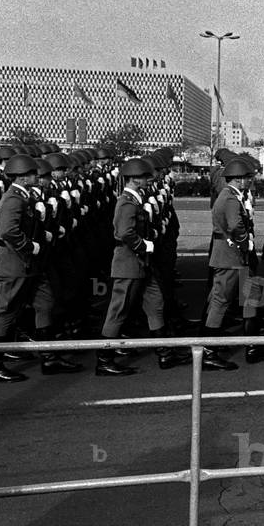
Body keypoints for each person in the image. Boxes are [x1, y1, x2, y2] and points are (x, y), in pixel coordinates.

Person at [0, 154, 82, 381]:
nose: (36, 176)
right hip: (15, 263)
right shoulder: (13, 199)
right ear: (22, 177)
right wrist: (31, 246)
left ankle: (49, 357)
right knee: (5, 312)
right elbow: (8, 231)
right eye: (31, 173)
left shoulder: (25, 196)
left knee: (45, 304)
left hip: (31, 264)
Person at [97, 157, 188, 376]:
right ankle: (104, 359)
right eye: (145, 176)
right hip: (129, 263)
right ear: (135, 179)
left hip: (142, 262)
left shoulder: (135, 200)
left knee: (155, 303)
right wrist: (143, 245)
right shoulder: (127, 202)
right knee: (118, 311)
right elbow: (124, 232)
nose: (149, 179)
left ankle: (164, 352)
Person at [202, 158, 264, 367]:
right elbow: (235, 226)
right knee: (220, 302)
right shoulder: (230, 198)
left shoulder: (233, 196)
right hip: (231, 257)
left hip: (236, 257)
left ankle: (252, 346)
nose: (250, 181)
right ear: (239, 179)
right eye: (248, 178)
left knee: (251, 298)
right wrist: (245, 243)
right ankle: (209, 352)